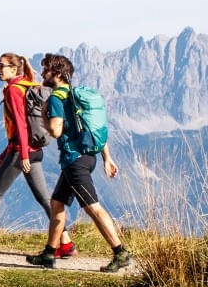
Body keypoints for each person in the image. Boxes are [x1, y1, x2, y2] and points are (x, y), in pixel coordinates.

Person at [0, 53, 75, 257]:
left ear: (14, 68)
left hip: (21, 153)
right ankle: (65, 243)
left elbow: (21, 123)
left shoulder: (12, 90)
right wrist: (6, 153)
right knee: (45, 199)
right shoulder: (26, 84)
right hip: (34, 150)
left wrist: (23, 156)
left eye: (3, 66)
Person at [26, 54, 132, 273]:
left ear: (56, 74)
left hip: (74, 161)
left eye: (46, 70)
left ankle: (120, 252)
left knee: (92, 207)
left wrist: (44, 114)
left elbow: (55, 131)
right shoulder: (74, 96)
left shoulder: (56, 98)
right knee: (57, 203)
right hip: (86, 157)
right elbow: (93, 128)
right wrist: (106, 157)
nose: (42, 74)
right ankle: (48, 253)